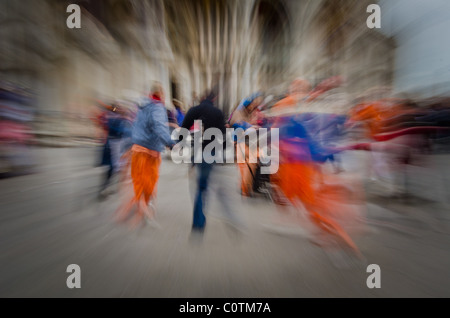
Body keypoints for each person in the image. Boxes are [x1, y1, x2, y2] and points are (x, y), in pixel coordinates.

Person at [181, 87, 242, 234]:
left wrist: (180, 144)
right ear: (214, 99)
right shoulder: (218, 112)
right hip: (211, 152)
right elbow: (222, 134)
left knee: (199, 187)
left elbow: (182, 130)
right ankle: (217, 216)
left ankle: (198, 222)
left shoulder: (193, 110)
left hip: (196, 151)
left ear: (202, 97)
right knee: (208, 185)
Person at [115, 83, 175, 228]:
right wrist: (170, 143)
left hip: (137, 149)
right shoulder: (157, 107)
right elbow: (160, 126)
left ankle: (137, 208)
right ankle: (143, 210)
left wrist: (129, 147)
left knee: (138, 181)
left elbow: (134, 127)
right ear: (161, 94)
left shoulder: (140, 107)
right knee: (149, 182)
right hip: (150, 152)